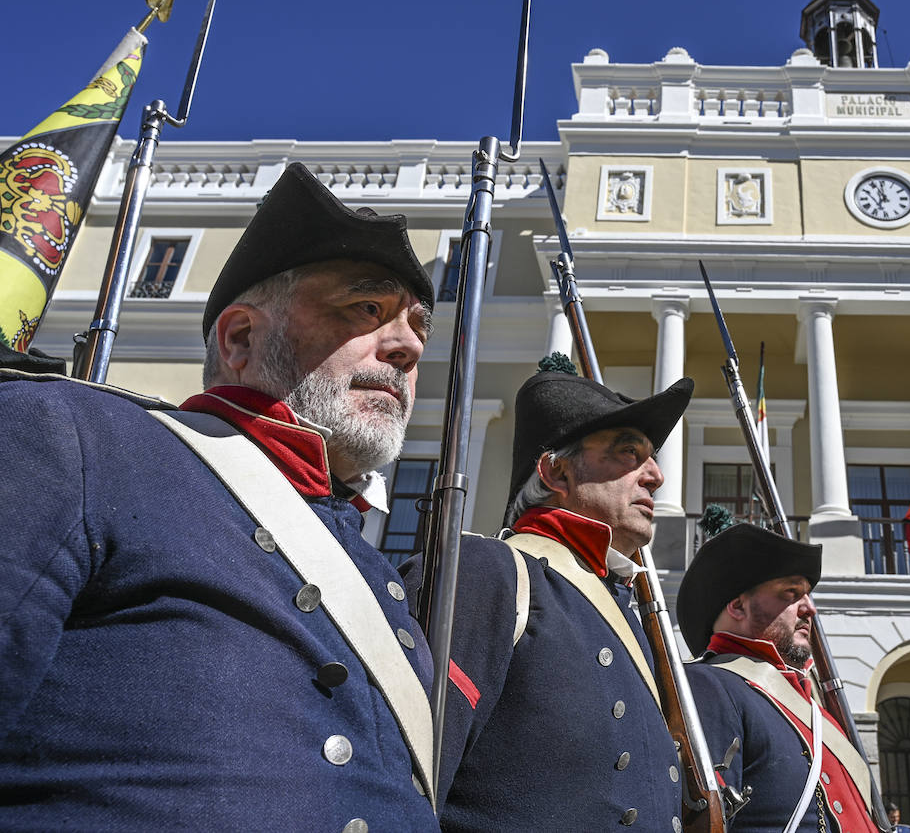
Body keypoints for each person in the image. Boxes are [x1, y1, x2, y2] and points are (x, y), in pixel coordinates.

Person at [0, 162, 438, 830]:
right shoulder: (78, 438)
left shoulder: (372, 570)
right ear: (241, 338)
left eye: (416, 328)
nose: (407, 346)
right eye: (366, 309)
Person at [419, 361, 694, 830]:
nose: (656, 477)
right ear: (556, 472)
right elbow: (414, 775)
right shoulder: (490, 573)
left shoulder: (623, 607)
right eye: (629, 452)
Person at [676, 521, 883, 832]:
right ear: (737, 605)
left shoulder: (808, 701)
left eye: (808, 595)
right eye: (791, 592)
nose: (810, 609)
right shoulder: (709, 684)